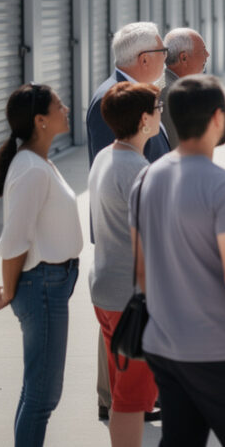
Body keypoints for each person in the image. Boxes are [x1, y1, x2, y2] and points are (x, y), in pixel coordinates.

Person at [131, 75, 225, 446]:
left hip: (165, 347)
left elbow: (141, 271)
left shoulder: (146, 178)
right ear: (219, 117)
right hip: (221, 352)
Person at [0, 84, 83, 446]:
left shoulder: (37, 162)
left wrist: (10, 289)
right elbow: (14, 242)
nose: (65, 108)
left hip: (51, 283)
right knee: (42, 396)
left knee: (37, 392)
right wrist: (8, 291)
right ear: (40, 120)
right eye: (58, 106)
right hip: (42, 287)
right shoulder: (32, 170)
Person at [85, 21, 169, 421]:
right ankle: (116, 401)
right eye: (157, 110)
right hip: (128, 278)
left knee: (126, 392)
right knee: (126, 397)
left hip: (112, 279)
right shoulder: (116, 106)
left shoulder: (117, 150)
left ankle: (120, 401)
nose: (160, 113)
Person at [87, 22, 171, 165]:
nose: (165, 58)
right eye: (163, 51)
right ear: (144, 59)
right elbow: (114, 169)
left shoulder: (137, 93)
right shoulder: (112, 99)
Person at [158, 27, 210, 142]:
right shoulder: (172, 94)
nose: (207, 54)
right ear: (184, 58)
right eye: (203, 50)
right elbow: (178, 146)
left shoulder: (172, 86)